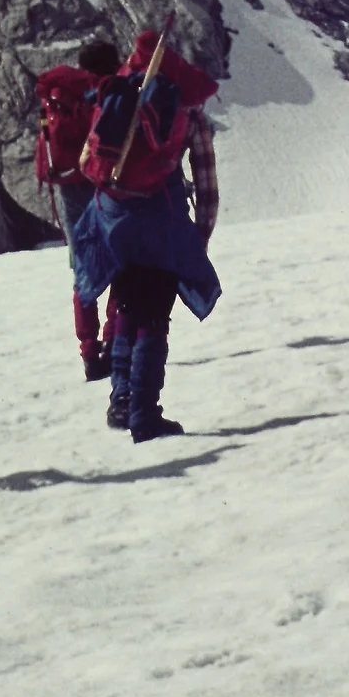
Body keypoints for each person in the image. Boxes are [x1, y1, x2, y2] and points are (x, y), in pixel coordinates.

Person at [73, 31, 221, 443]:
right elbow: (206, 185)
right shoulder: (187, 114)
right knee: (153, 319)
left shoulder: (121, 100)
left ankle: (120, 400)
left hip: (115, 222)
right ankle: (145, 415)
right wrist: (197, 239)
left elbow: (88, 161)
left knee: (124, 308)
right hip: (160, 227)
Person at [35, 39, 120, 381]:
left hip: (69, 187)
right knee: (118, 263)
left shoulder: (60, 95)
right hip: (101, 184)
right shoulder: (104, 93)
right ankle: (113, 343)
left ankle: (88, 352)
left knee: (82, 268)